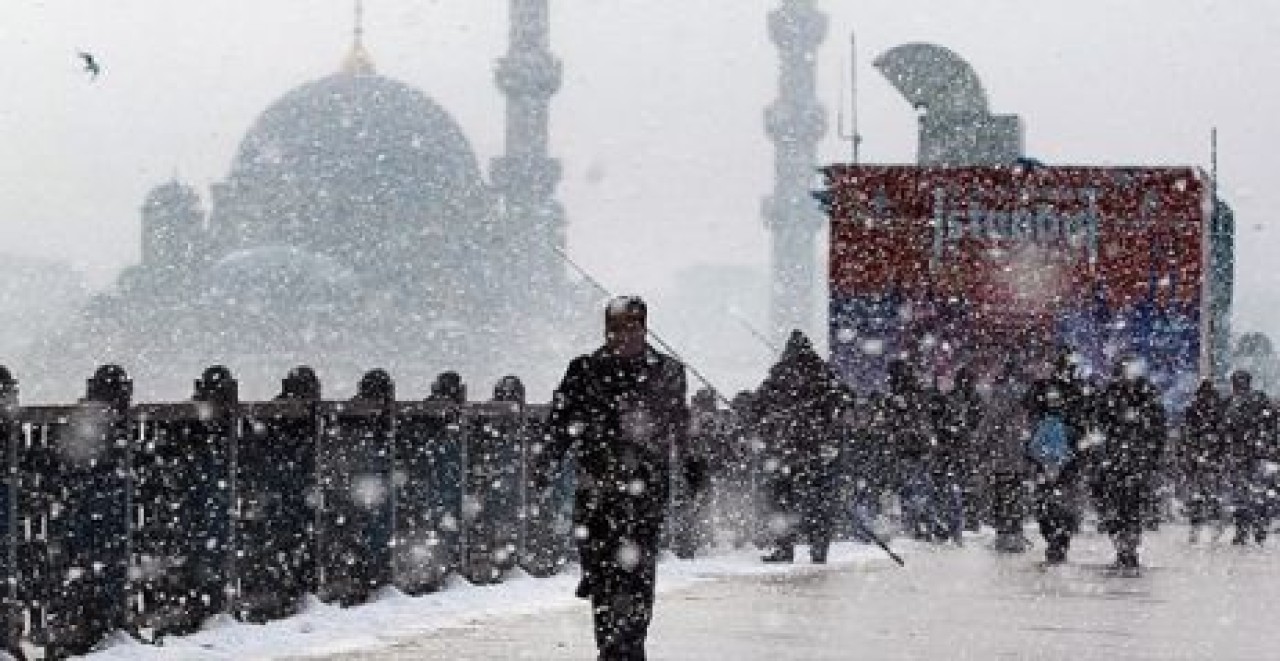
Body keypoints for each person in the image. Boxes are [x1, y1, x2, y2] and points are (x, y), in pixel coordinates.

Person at [539, 295, 688, 661]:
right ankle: (612, 644)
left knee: (637, 574)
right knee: (603, 575)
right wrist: (547, 461)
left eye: (630, 327)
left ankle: (629, 646)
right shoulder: (584, 371)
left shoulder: (667, 372)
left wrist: (692, 465)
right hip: (597, 493)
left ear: (643, 327)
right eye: (615, 328)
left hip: (644, 494)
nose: (622, 336)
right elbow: (560, 424)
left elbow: (680, 427)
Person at [754, 330, 850, 563]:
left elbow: (757, 404)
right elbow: (846, 398)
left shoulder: (780, 373)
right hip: (815, 449)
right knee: (818, 501)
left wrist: (768, 420)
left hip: (785, 450)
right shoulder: (824, 374)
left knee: (782, 500)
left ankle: (784, 548)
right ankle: (819, 549)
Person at [1095, 358, 1166, 570]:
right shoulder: (1110, 393)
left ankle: (1129, 548)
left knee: (1132, 507)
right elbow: (1098, 423)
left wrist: (1153, 455)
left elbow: (1158, 427)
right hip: (1116, 461)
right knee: (1114, 507)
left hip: (1135, 461)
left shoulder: (1146, 393)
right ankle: (1122, 547)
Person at [1022, 349, 1087, 564]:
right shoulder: (1072, 391)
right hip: (1057, 459)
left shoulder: (1074, 391)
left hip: (1059, 459)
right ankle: (1057, 540)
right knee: (1051, 504)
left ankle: (1057, 542)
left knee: (1053, 503)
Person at [976, 361, 1031, 552]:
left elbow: (988, 425)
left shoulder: (999, 397)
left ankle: (1005, 534)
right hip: (1020, 456)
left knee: (1002, 495)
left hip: (1001, 456)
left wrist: (980, 444)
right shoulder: (1026, 395)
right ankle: (1016, 532)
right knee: (1016, 494)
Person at [1222, 370, 1276, 545]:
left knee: (1247, 494)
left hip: (1249, 454)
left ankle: (1248, 530)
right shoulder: (1236, 402)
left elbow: (1271, 424)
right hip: (1247, 454)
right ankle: (1250, 530)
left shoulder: (1239, 402)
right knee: (1250, 494)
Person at [1180, 380, 1227, 543]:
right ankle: (1212, 526)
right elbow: (1223, 435)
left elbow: (1186, 434)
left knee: (1199, 496)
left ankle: (1198, 528)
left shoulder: (1195, 409)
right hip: (1208, 458)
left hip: (1201, 457)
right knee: (1209, 495)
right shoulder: (1217, 410)